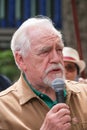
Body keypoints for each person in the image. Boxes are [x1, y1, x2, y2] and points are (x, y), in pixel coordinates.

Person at [0, 16, 87, 130]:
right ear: (20, 59)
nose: (56, 59)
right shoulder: (3, 109)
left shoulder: (84, 94)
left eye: (59, 50)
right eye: (45, 51)